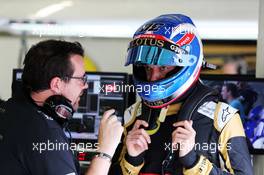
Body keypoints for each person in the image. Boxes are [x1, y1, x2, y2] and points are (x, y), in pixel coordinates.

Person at [109, 14, 253, 175]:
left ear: (187, 64)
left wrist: (194, 162)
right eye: (148, 68)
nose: (153, 77)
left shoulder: (223, 119)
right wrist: (131, 161)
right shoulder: (133, 115)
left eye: (163, 67)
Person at [0, 40, 123, 175]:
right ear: (57, 84)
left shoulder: (11, 109)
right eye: (82, 79)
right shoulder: (45, 134)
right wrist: (105, 150)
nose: (85, 85)